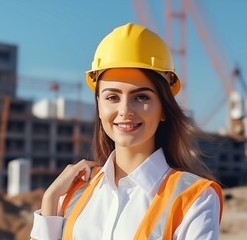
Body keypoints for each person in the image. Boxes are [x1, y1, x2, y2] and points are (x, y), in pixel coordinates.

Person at [30, 22, 223, 240]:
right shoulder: (75, 193)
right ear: (99, 108)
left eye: (141, 97)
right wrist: (50, 200)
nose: (125, 110)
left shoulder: (195, 198)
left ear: (163, 109)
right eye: (112, 97)